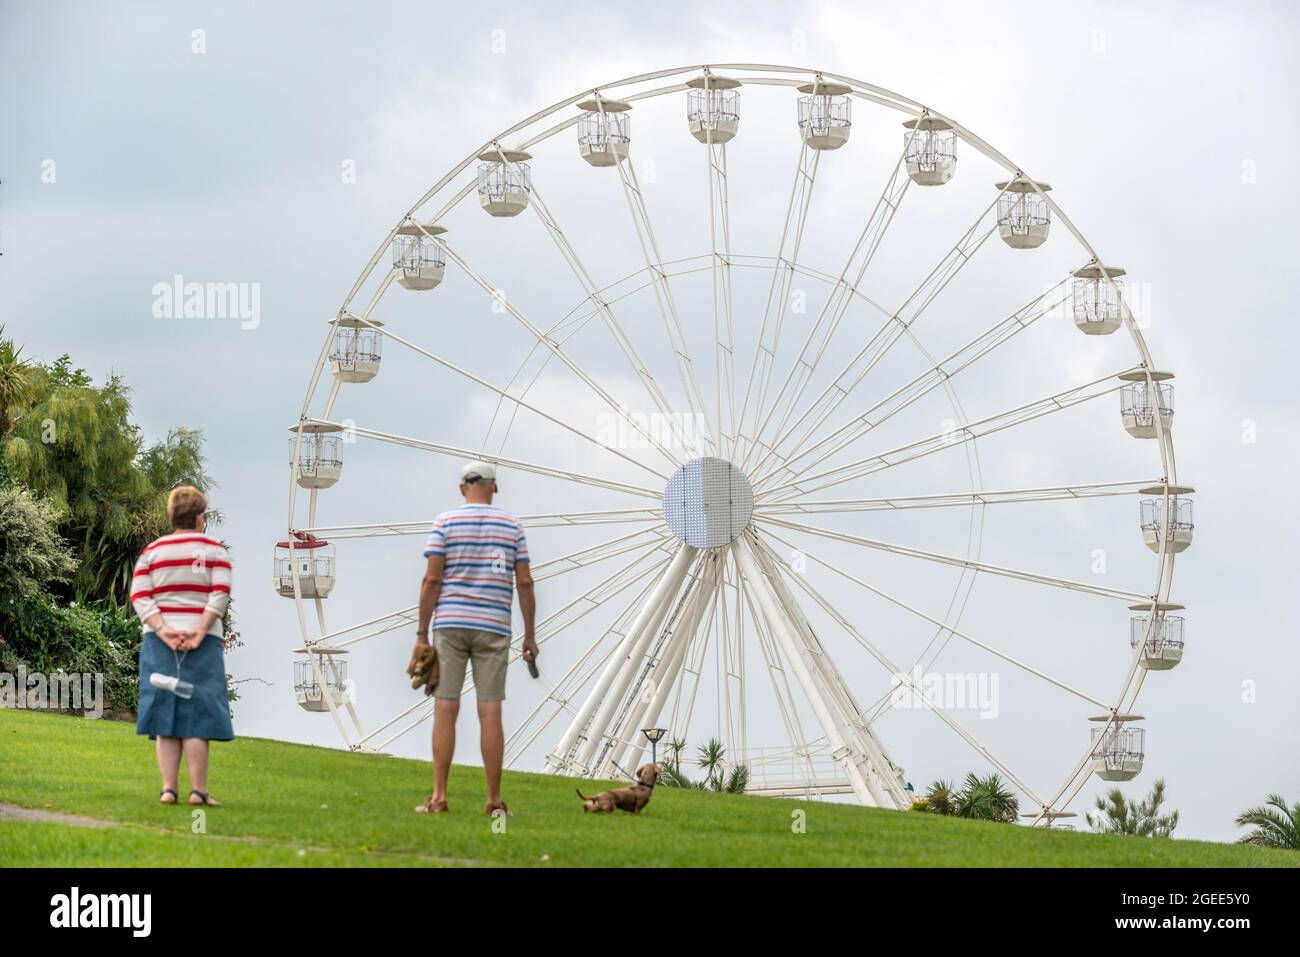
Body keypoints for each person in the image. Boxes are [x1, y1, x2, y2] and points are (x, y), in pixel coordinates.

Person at [411, 461, 537, 815]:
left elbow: (431, 581)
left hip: (450, 623)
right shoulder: (513, 526)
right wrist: (530, 634)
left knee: (446, 705)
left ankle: (438, 797)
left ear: (463, 487)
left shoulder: (445, 523)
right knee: (490, 709)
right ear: (493, 487)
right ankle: (494, 802)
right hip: (494, 625)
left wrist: (422, 633)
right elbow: (524, 582)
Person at [130, 486, 234, 806]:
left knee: (165, 713)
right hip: (203, 643)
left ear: (172, 515)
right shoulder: (215, 550)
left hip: (160, 642)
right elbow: (220, 593)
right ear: (201, 516)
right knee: (198, 715)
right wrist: (200, 631)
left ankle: (168, 789)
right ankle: (198, 792)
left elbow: (140, 595)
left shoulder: (153, 552)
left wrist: (164, 630)